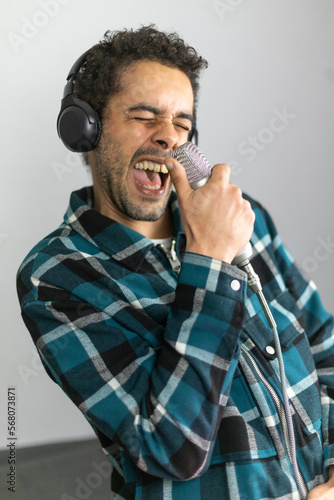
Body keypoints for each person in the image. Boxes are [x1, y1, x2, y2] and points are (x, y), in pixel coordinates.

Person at [17, 25, 334, 499]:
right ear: (88, 130)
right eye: (144, 117)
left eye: (182, 124)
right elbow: (171, 447)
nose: (169, 138)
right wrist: (210, 261)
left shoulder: (243, 219)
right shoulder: (57, 276)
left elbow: (325, 348)